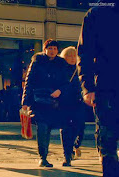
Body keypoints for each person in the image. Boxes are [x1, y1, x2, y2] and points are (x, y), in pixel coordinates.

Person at [77, 2, 119, 176]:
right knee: (108, 142)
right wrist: (87, 87)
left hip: (106, 87)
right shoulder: (98, 13)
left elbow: (84, 53)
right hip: (107, 87)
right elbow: (85, 53)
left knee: (107, 143)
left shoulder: (96, 12)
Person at [21, 39, 69, 167]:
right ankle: (43, 157)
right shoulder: (37, 61)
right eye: (50, 48)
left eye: (54, 48)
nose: (52, 51)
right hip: (39, 101)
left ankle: (67, 155)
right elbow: (29, 81)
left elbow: (66, 82)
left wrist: (60, 90)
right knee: (42, 128)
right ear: (45, 49)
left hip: (55, 101)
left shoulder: (61, 63)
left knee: (50, 128)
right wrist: (25, 101)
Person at [59, 46, 86, 166]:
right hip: (64, 102)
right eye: (69, 55)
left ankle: (76, 145)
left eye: (74, 55)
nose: (72, 58)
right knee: (65, 129)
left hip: (79, 102)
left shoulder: (80, 69)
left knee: (79, 127)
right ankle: (67, 155)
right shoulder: (60, 69)